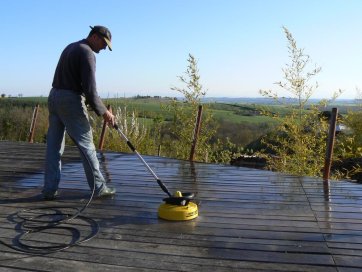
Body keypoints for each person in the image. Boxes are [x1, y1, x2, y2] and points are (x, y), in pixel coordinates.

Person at [42, 25, 116, 200]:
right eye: (104, 43)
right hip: (69, 100)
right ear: (95, 37)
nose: (104, 48)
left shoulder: (71, 47)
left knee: (53, 147)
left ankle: (49, 189)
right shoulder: (87, 52)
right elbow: (90, 89)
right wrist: (105, 112)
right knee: (86, 146)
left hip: (54, 97)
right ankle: (99, 188)